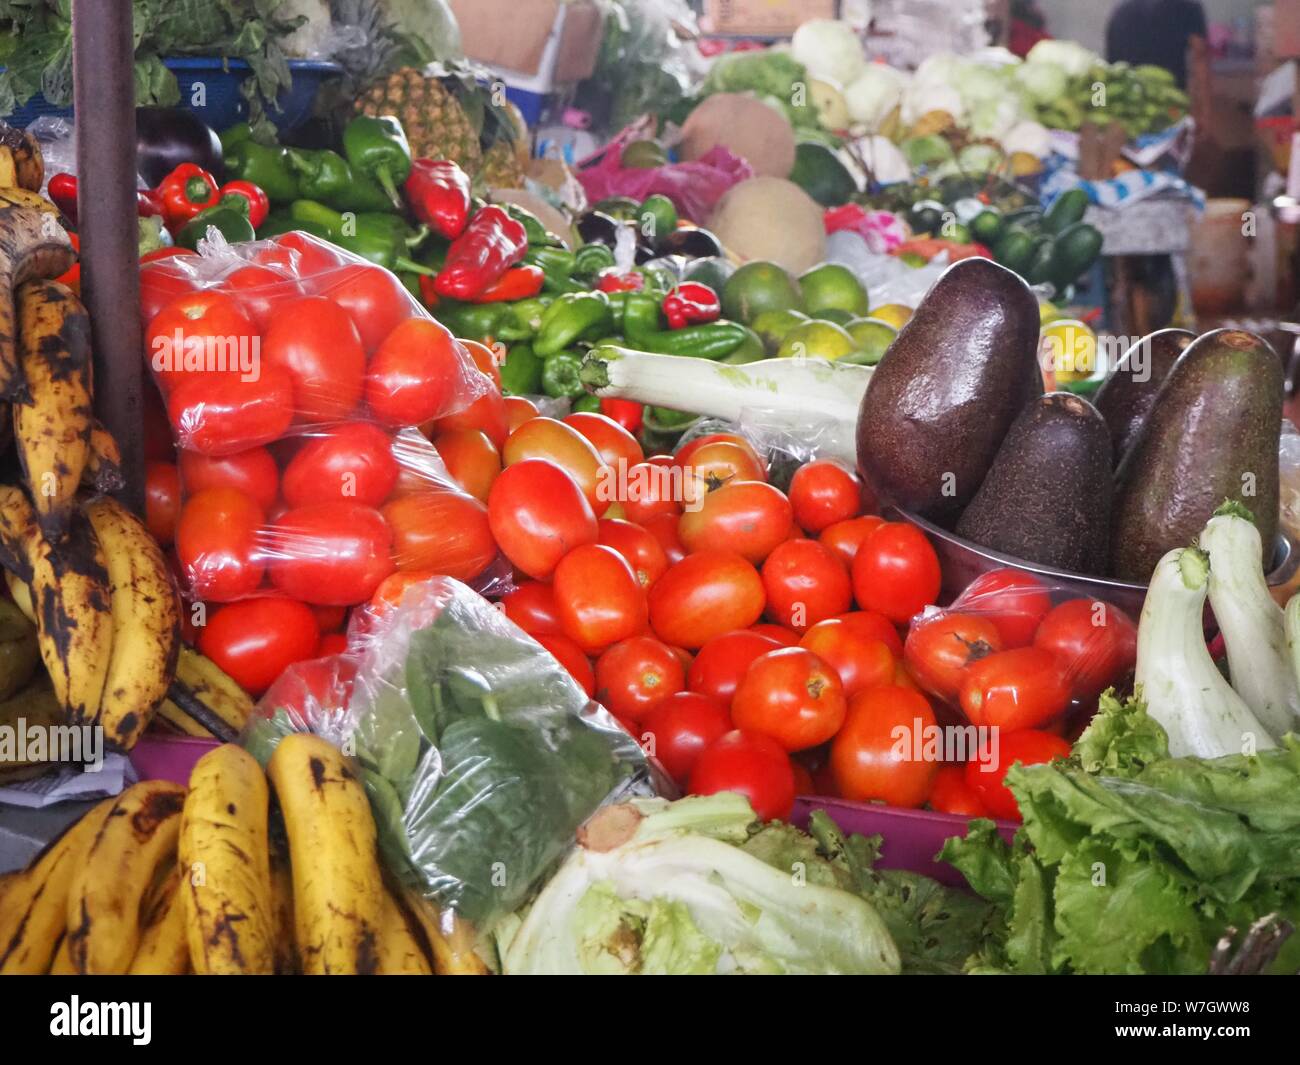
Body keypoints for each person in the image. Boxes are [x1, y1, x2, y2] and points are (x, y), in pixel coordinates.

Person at [1105, 0, 1207, 87]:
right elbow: (1201, 61)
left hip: (1126, 97)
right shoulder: (1189, 9)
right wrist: (1206, 109)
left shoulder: (1120, 12)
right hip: (1170, 100)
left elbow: (1110, 68)